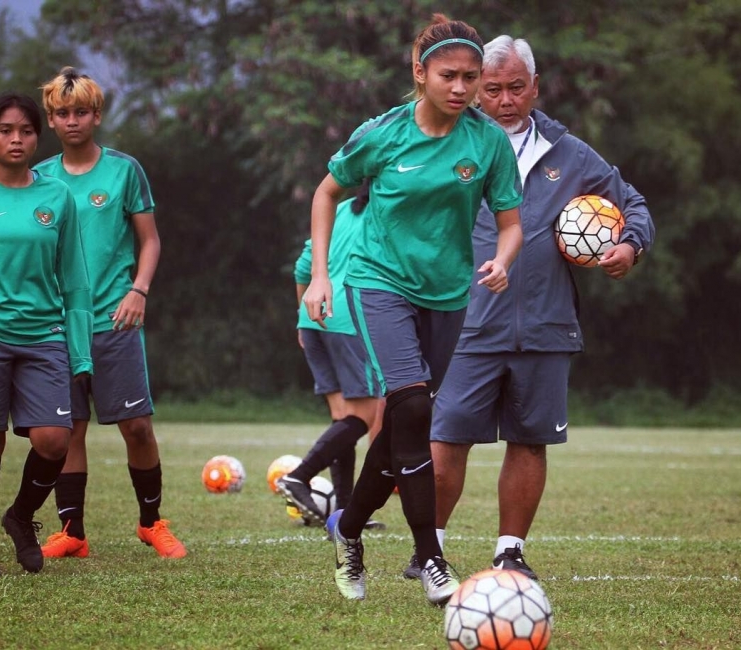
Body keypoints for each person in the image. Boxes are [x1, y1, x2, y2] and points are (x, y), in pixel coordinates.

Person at [401, 35, 655, 582]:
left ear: (535, 87)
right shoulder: (444, 142)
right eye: (492, 89)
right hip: (463, 323)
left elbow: (632, 203)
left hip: (546, 323)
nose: (505, 99)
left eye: (517, 87)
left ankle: (510, 550)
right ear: (473, 90)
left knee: (530, 440)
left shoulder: (571, 153)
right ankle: (431, 548)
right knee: (447, 437)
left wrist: (628, 245)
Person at [303, 14, 524, 605]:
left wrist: (502, 260)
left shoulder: (487, 142)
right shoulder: (381, 134)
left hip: (448, 294)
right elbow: (327, 191)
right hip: (378, 284)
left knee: (406, 421)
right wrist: (321, 275)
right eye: (449, 75)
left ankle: (347, 529)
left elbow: (510, 223)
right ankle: (430, 555)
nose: (461, 88)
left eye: (471, 78)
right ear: (419, 73)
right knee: (413, 404)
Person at [35, 67, 186, 559]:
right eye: (62, 113)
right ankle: (73, 532)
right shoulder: (40, 180)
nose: (72, 120)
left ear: (96, 115)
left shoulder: (125, 170)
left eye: (81, 111)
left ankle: (151, 522)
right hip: (58, 327)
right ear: (51, 120)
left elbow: (150, 240)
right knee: (67, 431)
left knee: (137, 427)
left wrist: (138, 290)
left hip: (115, 320)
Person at [0, 92, 93, 573]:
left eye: (26, 130)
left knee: (54, 440)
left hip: (43, 336)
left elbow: (74, 278)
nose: (16, 139)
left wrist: (80, 352)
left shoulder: (56, 195)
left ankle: (20, 517)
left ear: (38, 136)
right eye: (5, 130)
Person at [276, 180, 386, 528]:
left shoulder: (337, 211)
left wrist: (303, 316)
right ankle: (299, 476)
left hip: (314, 316)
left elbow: (301, 268)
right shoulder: (387, 215)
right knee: (363, 419)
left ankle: (344, 512)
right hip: (352, 318)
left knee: (344, 420)